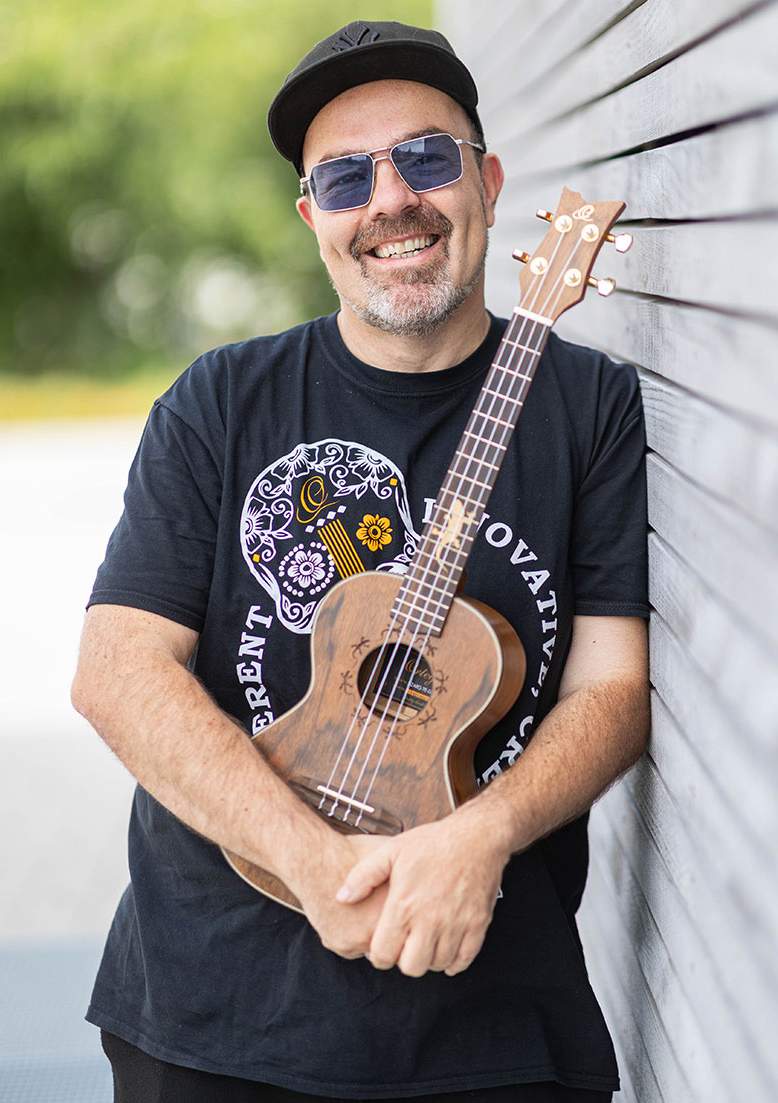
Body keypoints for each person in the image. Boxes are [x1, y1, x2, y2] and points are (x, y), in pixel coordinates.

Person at [72, 19, 649, 1103]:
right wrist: (315, 860)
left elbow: (614, 688)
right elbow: (116, 670)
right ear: (313, 217)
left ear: (485, 181)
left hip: (490, 1019)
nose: (389, 199)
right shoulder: (219, 400)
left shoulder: (588, 408)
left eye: (424, 158)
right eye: (344, 176)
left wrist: (481, 831)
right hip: (210, 1016)